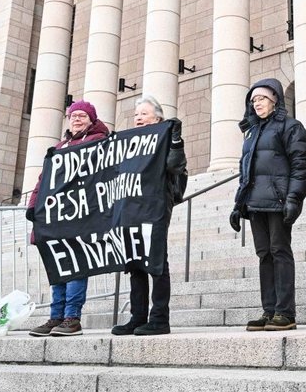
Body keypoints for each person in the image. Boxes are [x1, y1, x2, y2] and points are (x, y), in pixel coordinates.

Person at [228, 79, 306, 331]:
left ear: (275, 100)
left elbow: (300, 166)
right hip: (255, 204)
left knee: (279, 252)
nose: (257, 104)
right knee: (264, 255)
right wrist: (237, 204)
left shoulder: (291, 127)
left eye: (261, 99)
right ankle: (269, 310)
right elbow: (246, 171)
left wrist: (294, 198)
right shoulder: (251, 133)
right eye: (253, 101)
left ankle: (285, 312)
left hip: (278, 201)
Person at [26, 100, 110, 337]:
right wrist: (33, 206)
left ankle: (72, 317)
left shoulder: (99, 141)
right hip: (55, 217)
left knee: (76, 265)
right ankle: (56, 317)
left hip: (80, 215)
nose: (77, 119)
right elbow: (43, 180)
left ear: (91, 120)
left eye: (82, 116)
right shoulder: (59, 147)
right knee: (58, 265)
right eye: (73, 116)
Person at [111, 95, 187, 336]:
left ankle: (159, 318)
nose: (138, 118)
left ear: (158, 117)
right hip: (130, 209)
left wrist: (174, 140)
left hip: (154, 208)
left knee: (155, 262)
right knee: (135, 264)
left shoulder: (166, 138)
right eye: (136, 115)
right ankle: (138, 316)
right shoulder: (129, 144)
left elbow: (175, 167)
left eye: (143, 114)